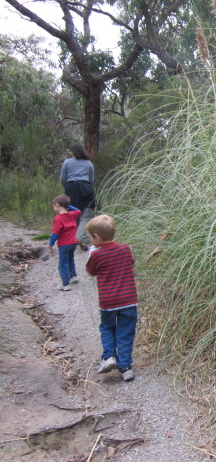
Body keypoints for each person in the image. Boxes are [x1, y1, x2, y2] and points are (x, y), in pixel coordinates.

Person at [85, 214, 138, 382]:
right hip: (129, 300)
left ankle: (108, 357)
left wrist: (92, 254)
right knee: (126, 332)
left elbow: (91, 272)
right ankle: (125, 367)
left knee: (107, 328)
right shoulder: (125, 249)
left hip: (108, 302)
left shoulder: (96, 255)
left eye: (90, 238)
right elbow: (131, 262)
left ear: (97, 237)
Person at [60, 144, 96, 249]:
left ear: (74, 153)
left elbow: (63, 178)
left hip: (71, 188)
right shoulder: (89, 163)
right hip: (86, 187)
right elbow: (91, 180)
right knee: (86, 215)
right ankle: (81, 238)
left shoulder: (67, 162)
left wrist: (67, 188)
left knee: (73, 214)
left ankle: (74, 238)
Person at [49, 194, 82, 291]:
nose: (54, 208)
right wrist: (67, 206)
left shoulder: (58, 219)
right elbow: (78, 211)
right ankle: (73, 276)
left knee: (63, 264)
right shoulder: (71, 215)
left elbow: (55, 234)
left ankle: (65, 284)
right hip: (73, 243)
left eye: (54, 206)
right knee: (71, 260)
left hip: (64, 245)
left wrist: (51, 244)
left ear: (57, 205)